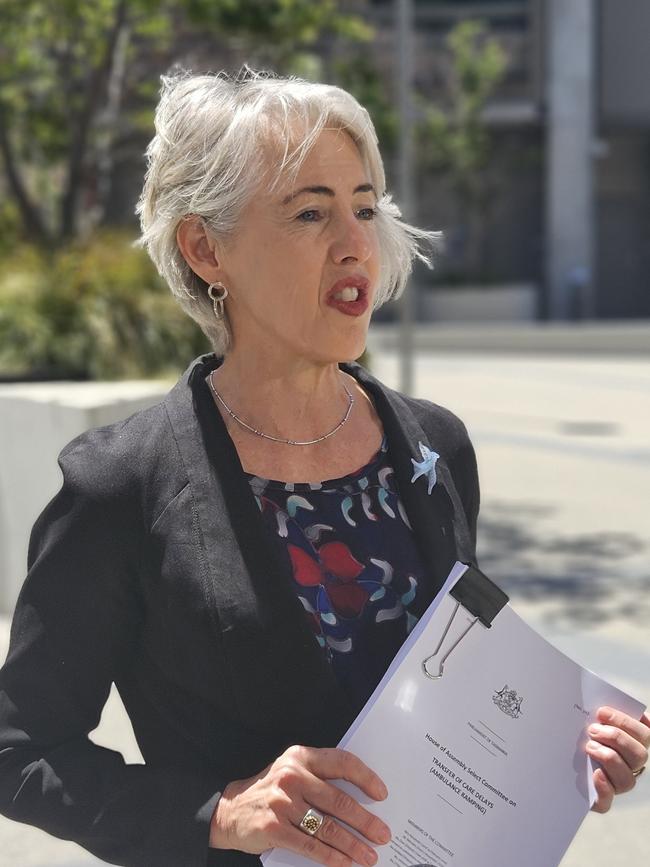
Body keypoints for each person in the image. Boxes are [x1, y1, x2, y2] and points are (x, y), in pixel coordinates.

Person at [0, 66, 647, 867]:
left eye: (366, 208)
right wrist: (217, 811)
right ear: (206, 248)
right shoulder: (121, 485)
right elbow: (21, 753)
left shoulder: (435, 446)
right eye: (310, 212)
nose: (355, 243)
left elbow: (454, 692)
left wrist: (560, 756)